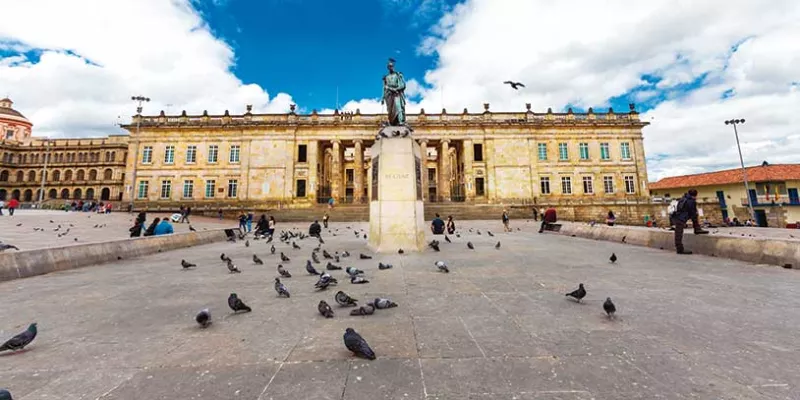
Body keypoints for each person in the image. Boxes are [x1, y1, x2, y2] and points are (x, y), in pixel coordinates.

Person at [671, 189, 709, 255]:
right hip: (681, 218)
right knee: (678, 234)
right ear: (695, 195)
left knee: (678, 233)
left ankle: (697, 229)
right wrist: (695, 219)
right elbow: (693, 212)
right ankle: (680, 249)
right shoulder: (691, 201)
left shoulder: (683, 198)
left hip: (677, 216)